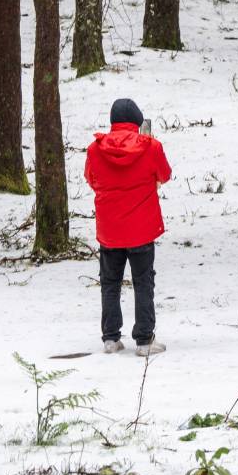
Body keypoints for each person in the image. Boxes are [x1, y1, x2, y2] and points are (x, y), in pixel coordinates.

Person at [85, 98, 172, 356]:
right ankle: (144, 340)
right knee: (143, 281)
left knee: (110, 282)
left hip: (110, 229)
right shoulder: (151, 147)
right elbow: (164, 175)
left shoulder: (94, 149)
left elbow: (92, 179)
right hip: (141, 228)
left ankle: (110, 338)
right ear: (137, 121)